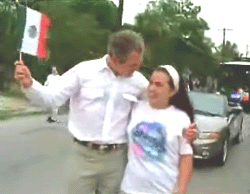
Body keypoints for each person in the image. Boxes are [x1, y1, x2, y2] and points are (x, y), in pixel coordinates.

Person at [14, 30, 196, 194]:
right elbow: (52, 98)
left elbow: (159, 110)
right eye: (133, 65)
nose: (137, 69)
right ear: (115, 59)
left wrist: (186, 130)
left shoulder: (139, 83)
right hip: (83, 157)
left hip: (116, 161)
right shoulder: (83, 72)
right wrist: (30, 85)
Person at [121, 65, 194, 194]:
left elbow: (186, 157)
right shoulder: (136, 107)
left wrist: (182, 188)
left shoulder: (181, 118)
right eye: (151, 83)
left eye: (159, 85)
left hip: (163, 190)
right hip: (130, 188)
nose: (152, 88)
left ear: (172, 91)